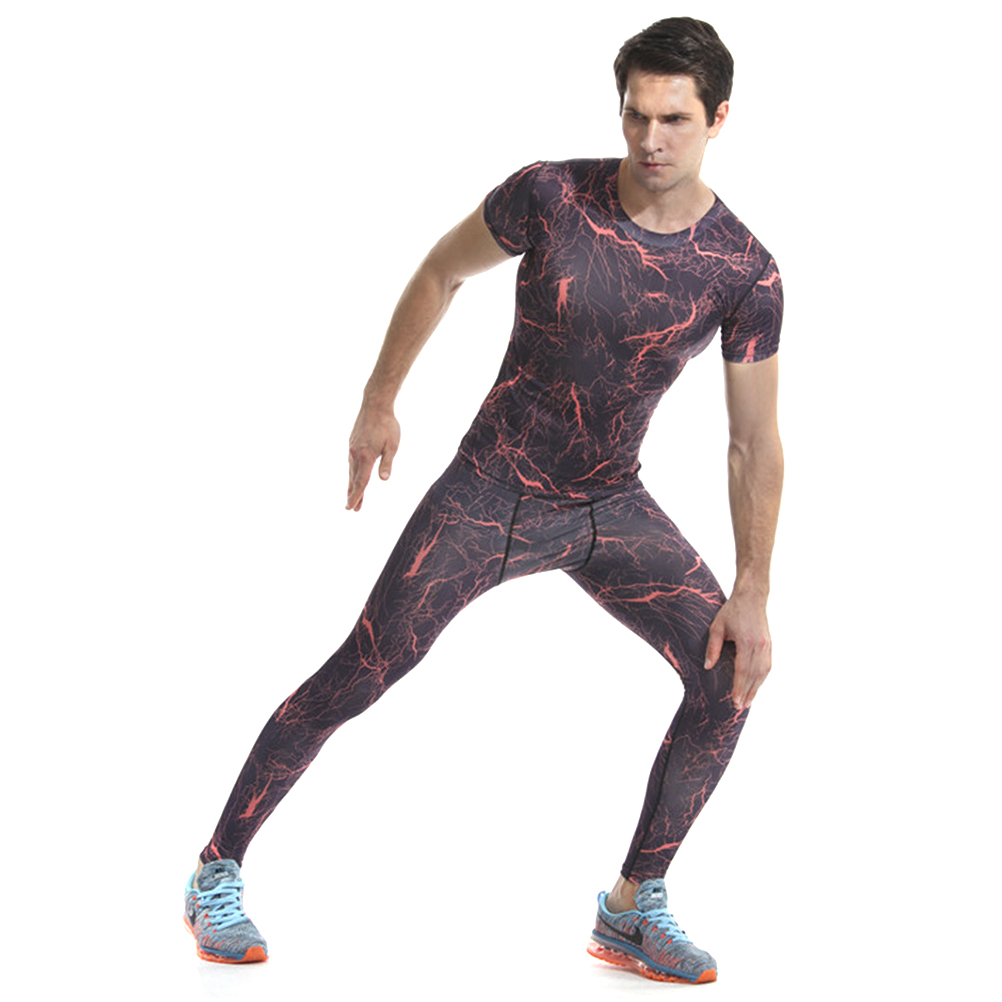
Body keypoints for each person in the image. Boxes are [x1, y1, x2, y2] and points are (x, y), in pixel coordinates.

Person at [183, 16, 784, 985]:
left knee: (728, 672)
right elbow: (441, 270)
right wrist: (379, 400)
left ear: (719, 118)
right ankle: (216, 869)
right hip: (491, 490)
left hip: (609, 503)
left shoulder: (742, 269)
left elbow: (754, 440)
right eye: (636, 115)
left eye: (674, 119)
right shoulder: (550, 194)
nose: (650, 139)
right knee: (367, 666)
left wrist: (752, 589)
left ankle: (632, 908)